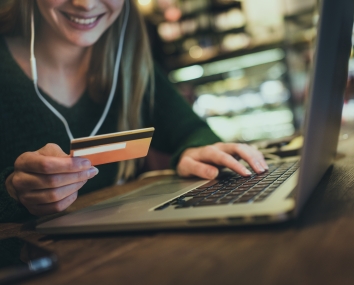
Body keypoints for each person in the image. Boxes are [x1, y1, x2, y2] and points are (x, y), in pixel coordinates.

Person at [0, 0, 268, 222]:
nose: (85, 4)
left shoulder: (129, 59)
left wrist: (193, 149)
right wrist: (12, 191)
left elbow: (190, 131)